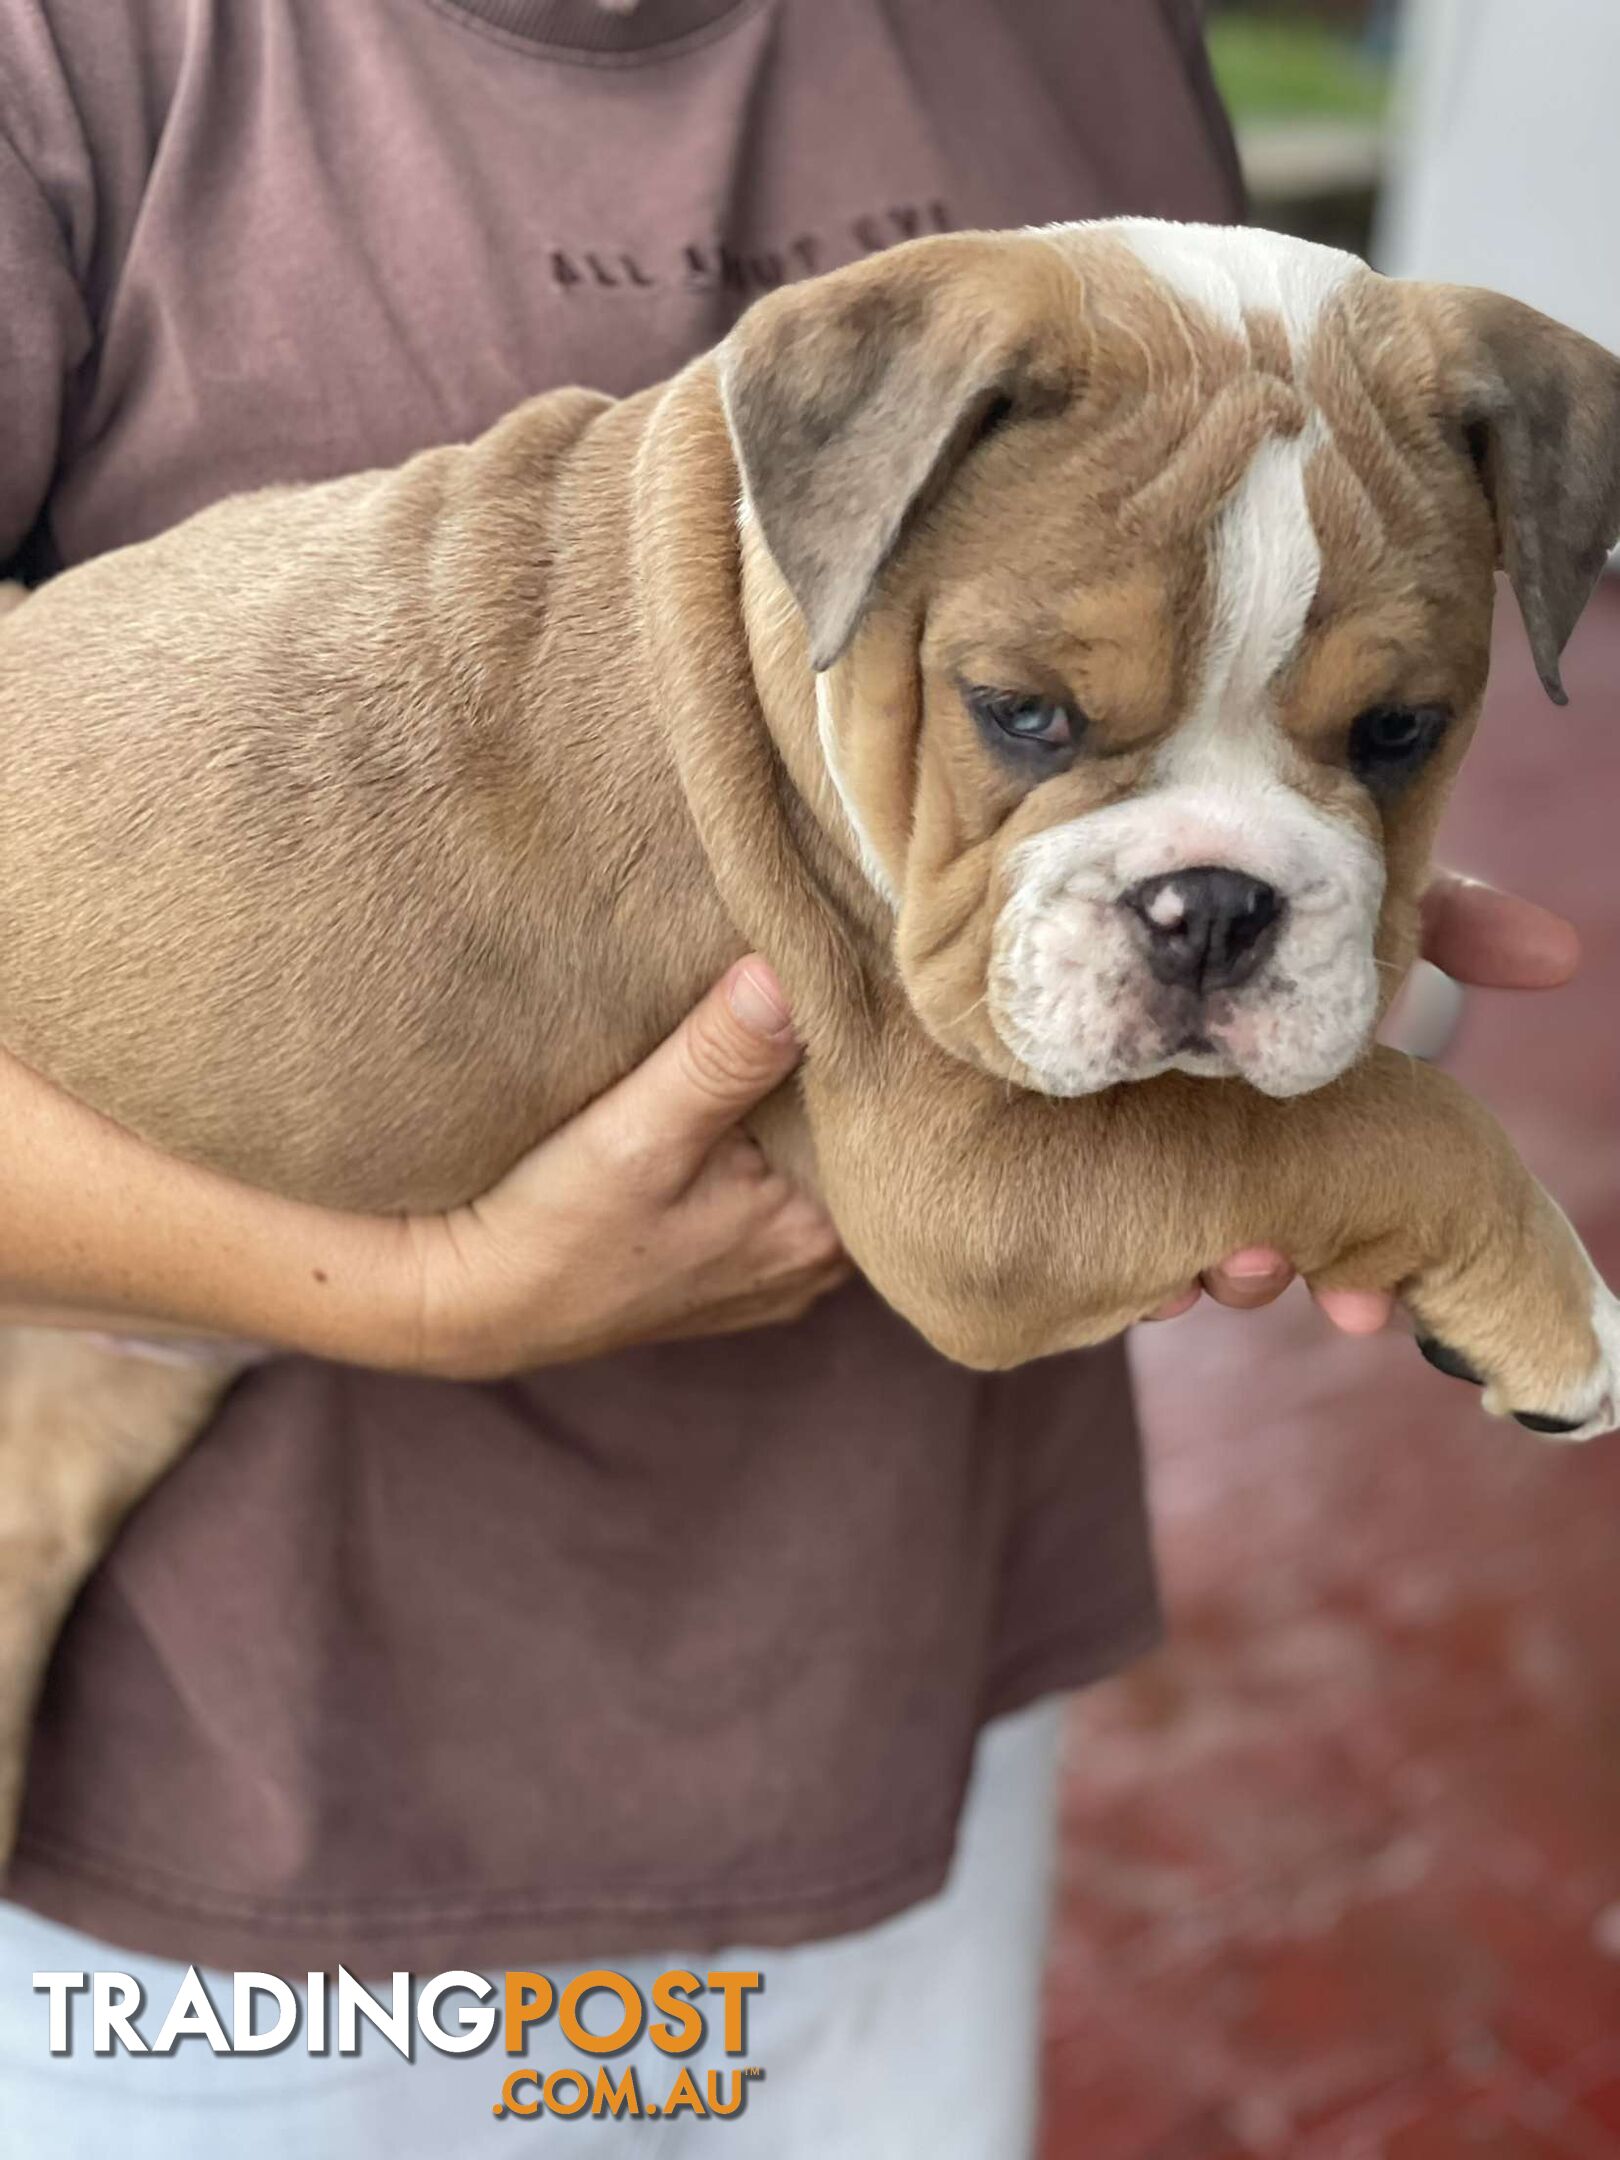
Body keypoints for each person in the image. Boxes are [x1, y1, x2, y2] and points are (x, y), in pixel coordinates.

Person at [0, 2, 1582, 2151]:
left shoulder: (1077, 35)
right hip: (274, 1805)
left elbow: (1243, 587)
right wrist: (437, 1290)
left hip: (892, 1688)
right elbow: (980, 1207)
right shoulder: (89, 58)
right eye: (1032, 712)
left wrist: (1317, 906)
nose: (1200, 875)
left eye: (1382, 732)